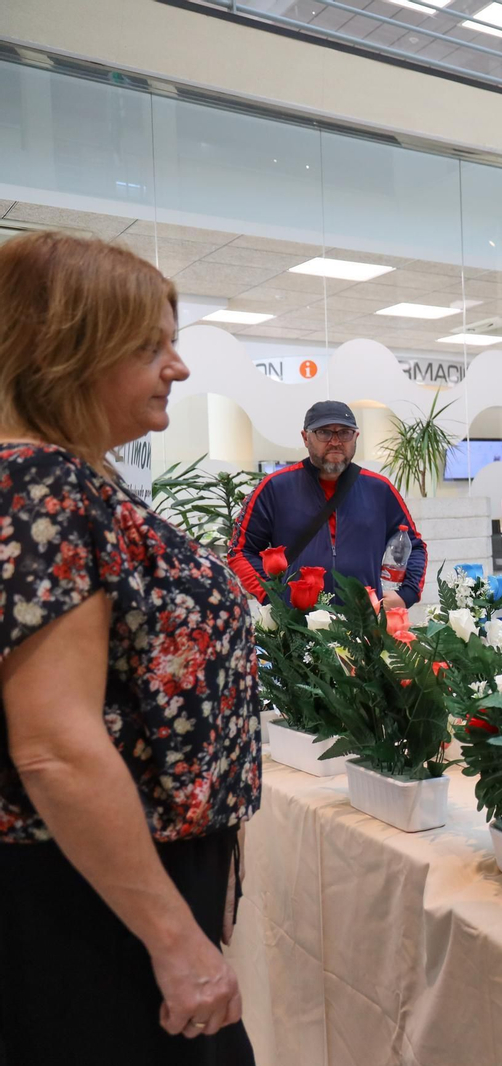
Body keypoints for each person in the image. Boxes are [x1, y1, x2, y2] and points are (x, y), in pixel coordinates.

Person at [0, 232, 257, 1062]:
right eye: (151, 345)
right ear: (67, 351)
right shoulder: (41, 483)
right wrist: (175, 940)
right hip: (84, 905)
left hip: (107, 885)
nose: (176, 367)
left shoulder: (69, 479)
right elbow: (55, 748)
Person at [229, 400, 428, 611]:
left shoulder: (379, 489)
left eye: (345, 433)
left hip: (364, 623)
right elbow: (240, 551)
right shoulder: (275, 488)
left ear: (356, 438)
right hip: (297, 627)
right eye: (324, 432)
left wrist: (406, 594)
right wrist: (272, 596)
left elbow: (414, 546)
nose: (335, 441)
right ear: (305, 437)